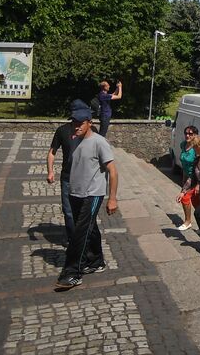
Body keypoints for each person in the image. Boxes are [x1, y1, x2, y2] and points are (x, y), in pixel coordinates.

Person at [54, 100, 119, 290]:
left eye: (80, 123)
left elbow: (113, 171)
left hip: (92, 194)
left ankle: (73, 272)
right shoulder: (76, 139)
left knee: (79, 232)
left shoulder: (99, 142)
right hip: (75, 192)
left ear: (90, 122)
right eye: (74, 123)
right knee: (89, 228)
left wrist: (112, 198)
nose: (76, 126)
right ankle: (97, 261)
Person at [47, 108, 83, 241]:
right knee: (68, 211)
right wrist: (50, 171)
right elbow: (52, 152)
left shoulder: (91, 132)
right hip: (67, 177)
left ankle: (83, 239)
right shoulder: (62, 131)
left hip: (85, 179)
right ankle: (73, 240)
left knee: (83, 212)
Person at [176, 125, 199, 231]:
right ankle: (189, 221)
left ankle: (188, 221)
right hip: (186, 176)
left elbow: (197, 169)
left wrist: (197, 184)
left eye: (190, 133)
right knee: (193, 201)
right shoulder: (183, 145)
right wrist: (183, 181)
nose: (187, 135)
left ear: (195, 135)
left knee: (185, 198)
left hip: (196, 178)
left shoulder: (196, 149)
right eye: (186, 133)